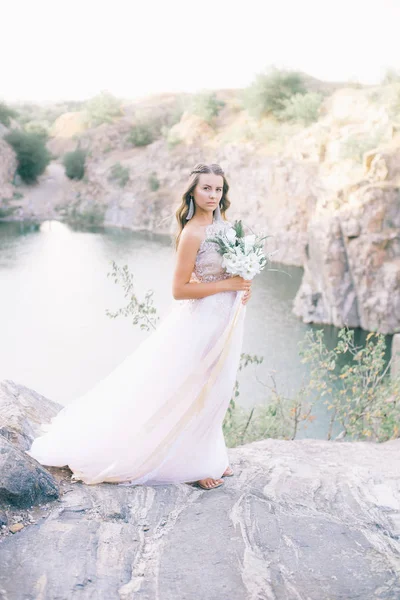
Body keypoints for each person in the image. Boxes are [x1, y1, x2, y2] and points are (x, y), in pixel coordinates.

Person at [25, 162, 252, 491]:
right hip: (201, 321)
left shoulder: (227, 228)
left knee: (217, 388)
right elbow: (179, 290)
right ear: (192, 191)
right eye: (206, 188)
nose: (213, 194)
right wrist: (227, 285)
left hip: (227, 320)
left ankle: (212, 455)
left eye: (218, 189)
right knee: (192, 389)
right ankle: (193, 464)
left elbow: (237, 271)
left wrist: (245, 284)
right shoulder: (192, 233)